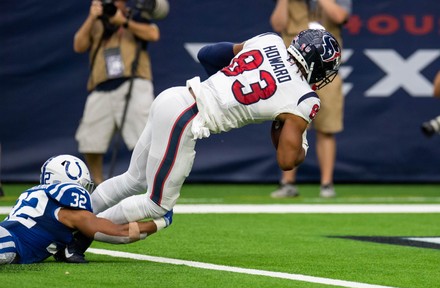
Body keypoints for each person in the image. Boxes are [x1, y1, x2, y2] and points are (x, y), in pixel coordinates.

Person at [61, 29, 341, 261]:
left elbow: (207, 54)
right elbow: (287, 159)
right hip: (186, 118)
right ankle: (76, 233)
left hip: (175, 96)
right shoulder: (304, 98)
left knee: (132, 179)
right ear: (318, 65)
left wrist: (227, 84)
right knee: (158, 206)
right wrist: (294, 135)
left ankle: (63, 219)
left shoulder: (270, 40)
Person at [0, 155, 172, 264]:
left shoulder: (36, 194)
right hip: (10, 243)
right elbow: (118, 232)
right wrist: (160, 222)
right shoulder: (68, 211)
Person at [270, 0, 352, 198]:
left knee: (327, 129)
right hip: (293, 73)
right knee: (290, 124)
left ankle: (326, 184)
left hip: (326, 72)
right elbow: (278, 24)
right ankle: (287, 182)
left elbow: (340, 16)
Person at [74, 0, 160, 185]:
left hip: (133, 82)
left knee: (144, 137)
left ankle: (151, 182)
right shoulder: (97, 23)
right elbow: (79, 46)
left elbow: (153, 34)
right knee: (90, 139)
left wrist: (123, 22)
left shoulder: (134, 16)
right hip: (101, 87)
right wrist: (92, 17)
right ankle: (97, 182)